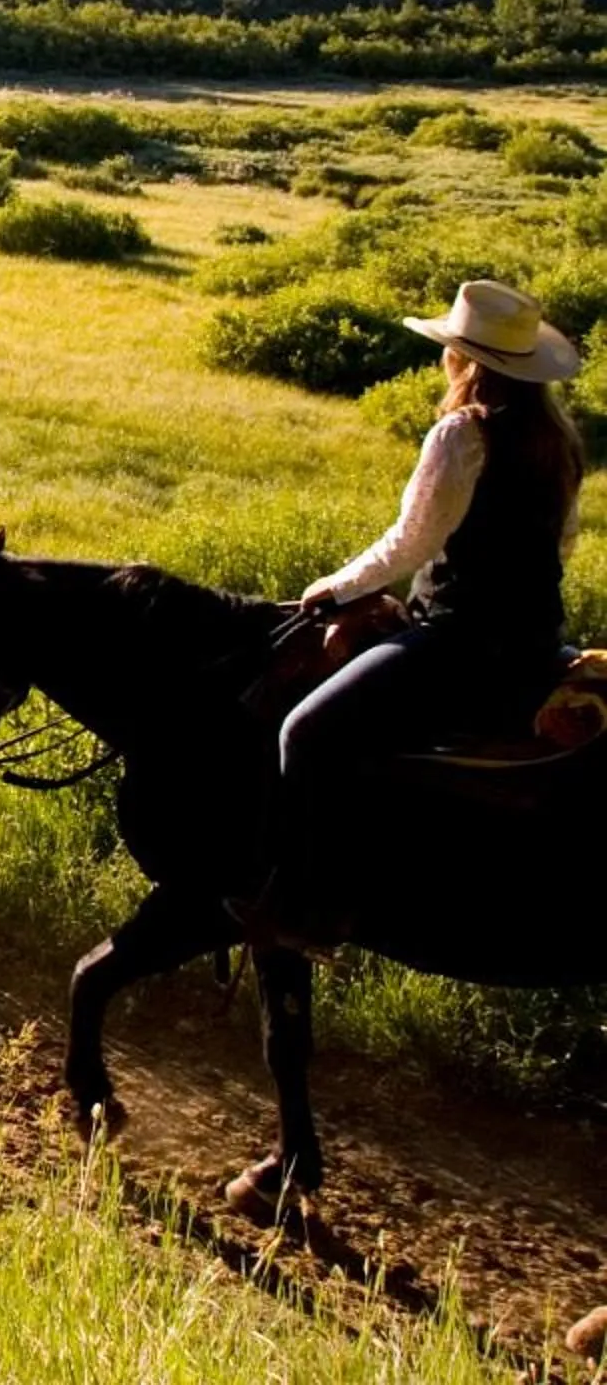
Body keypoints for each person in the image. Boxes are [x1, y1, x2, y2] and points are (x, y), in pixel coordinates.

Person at [237, 279, 585, 949]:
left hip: (461, 646)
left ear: (462, 359)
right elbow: (562, 544)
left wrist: (333, 588)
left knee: (304, 734)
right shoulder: (558, 440)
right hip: (538, 647)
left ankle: (311, 908)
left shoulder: (463, 434)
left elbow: (412, 540)